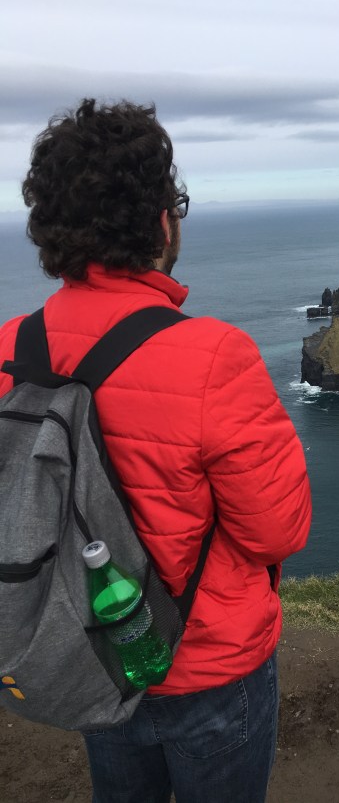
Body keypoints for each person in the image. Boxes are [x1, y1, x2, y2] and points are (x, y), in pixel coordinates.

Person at [0, 99, 312, 803]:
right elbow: (277, 530)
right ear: (161, 222)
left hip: (90, 652)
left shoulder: (10, 348)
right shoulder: (215, 356)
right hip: (211, 668)